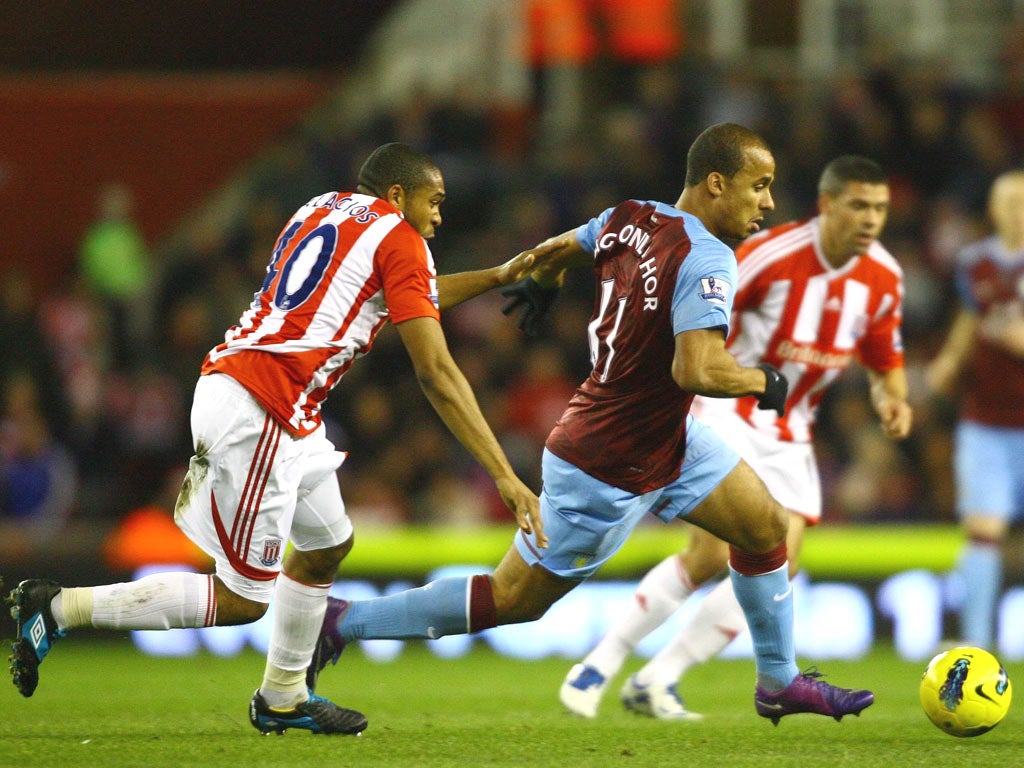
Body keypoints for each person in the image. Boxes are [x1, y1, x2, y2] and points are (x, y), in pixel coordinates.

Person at [308, 123, 874, 725]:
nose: (767, 203)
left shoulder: (631, 216)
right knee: (513, 600)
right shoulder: (709, 258)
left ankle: (778, 681)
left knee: (765, 528)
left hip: (665, 437)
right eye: (758, 187)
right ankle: (343, 621)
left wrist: (543, 282)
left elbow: (557, 249)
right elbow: (697, 369)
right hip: (608, 461)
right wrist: (765, 380)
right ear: (716, 183)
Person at [6, 143, 544, 736]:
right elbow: (435, 372)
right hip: (262, 405)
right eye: (434, 201)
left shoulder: (321, 209)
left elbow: (395, 295)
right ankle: (57, 608)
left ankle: (282, 696)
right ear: (397, 197)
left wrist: (496, 276)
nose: (440, 216)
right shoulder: (399, 236)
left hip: (272, 398)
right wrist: (503, 473)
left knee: (326, 545)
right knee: (243, 599)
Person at [557, 154, 913, 719]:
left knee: (781, 560)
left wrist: (890, 397)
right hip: (731, 409)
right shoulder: (771, 255)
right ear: (827, 206)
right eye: (858, 205)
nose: (871, 219)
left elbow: (883, 355)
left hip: (791, 431)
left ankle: (658, 676)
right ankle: (601, 661)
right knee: (712, 555)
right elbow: (700, 306)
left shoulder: (885, 278)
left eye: (880, 208)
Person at [925, 169, 1024, 650]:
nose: (1016, 210)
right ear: (992, 208)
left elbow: (1001, 329)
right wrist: (948, 362)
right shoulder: (974, 263)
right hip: (985, 420)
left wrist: (1016, 340)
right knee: (982, 530)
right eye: (1008, 201)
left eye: (1022, 201)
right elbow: (971, 317)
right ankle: (978, 646)